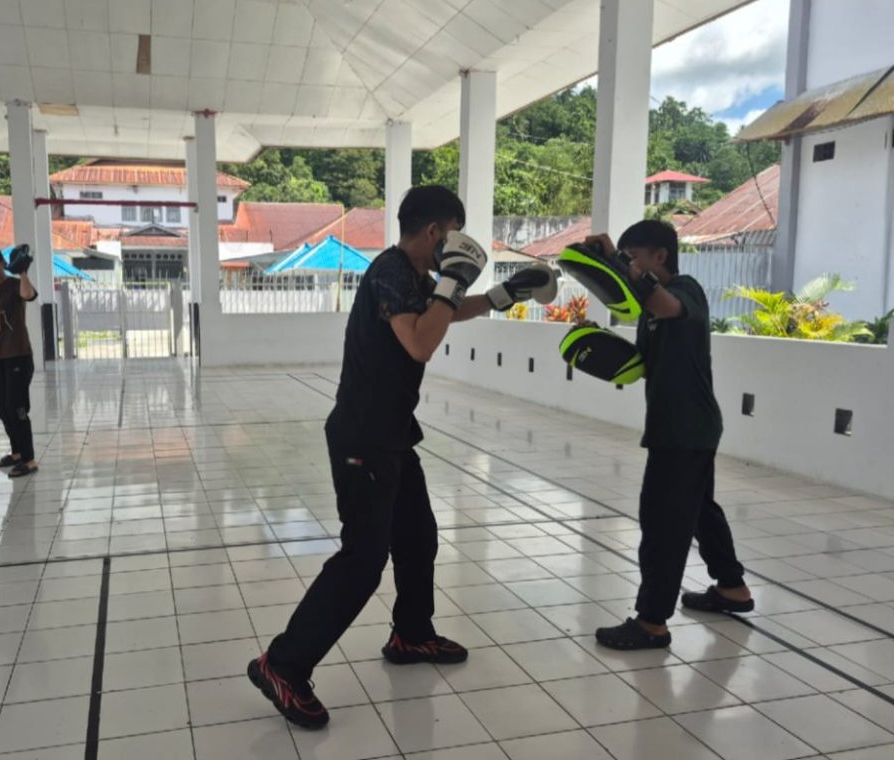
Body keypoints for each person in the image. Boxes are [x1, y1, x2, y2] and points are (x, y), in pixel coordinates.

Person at [247, 185, 558, 729]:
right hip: (363, 439)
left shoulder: (415, 279)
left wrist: (503, 294)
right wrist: (454, 282)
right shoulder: (391, 270)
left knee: (417, 537)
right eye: (454, 234)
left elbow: (443, 314)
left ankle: (411, 635)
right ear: (436, 232)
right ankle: (283, 664)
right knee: (363, 559)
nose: (456, 244)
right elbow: (419, 341)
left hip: (390, 434)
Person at [589, 220, 754, 650]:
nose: (629, 264)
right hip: (678, 427)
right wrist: (596, 349)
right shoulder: (649, 310)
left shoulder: (685, 289)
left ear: (660, 256)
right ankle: (732, 587)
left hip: (685, 430)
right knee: (699, 511)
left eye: (634, 257)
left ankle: (651, 623)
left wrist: (616, 261)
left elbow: (668, 307)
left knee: (663, 524)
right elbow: (644, 362)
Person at [0, 245, 39, 477]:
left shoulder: (14, 285)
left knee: (17, 408)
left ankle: (29, 460)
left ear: (3, 263)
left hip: (18, 355)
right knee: (3, 409)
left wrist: (22, 272)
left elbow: (29, 296)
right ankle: (16, 453)